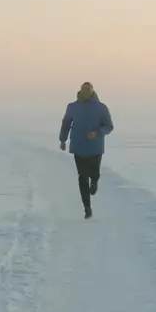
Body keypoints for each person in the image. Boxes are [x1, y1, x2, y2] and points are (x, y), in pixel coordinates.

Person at [58, 81, 114, 217]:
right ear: (80, 91)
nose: (86, 92)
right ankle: (87, 208)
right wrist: (63, 140)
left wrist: (97, 132)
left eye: (88, 90)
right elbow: (66, 123)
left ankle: (95, 181)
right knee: (82, 177)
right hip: (79, 147)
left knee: (94, 173)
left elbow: (109, 126)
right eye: (84, 90)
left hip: (95, 148)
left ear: (92, 91)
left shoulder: (101, 108)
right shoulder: (72, 107)